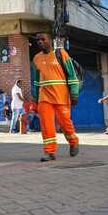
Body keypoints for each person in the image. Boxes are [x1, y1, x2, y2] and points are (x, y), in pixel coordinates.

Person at [32, 32, 80, 162]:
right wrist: (36, 99)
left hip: (61, 96)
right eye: (38, 40)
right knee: (46, 125)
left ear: (50, 41)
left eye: (43, 39)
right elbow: (36, 81)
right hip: (44, 98)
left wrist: (74, 93)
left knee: (65, 123)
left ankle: (73, 141)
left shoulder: (61, 54)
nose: (40, 42)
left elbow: (72, 75)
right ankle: (49, 151)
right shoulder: (36, 58)